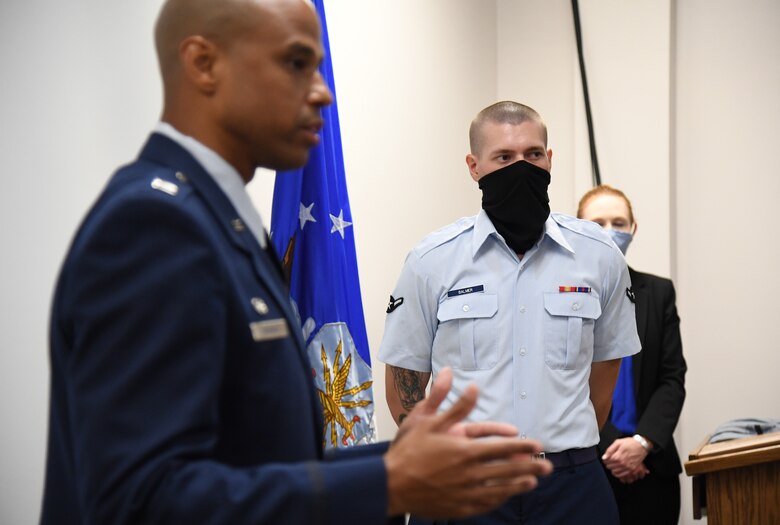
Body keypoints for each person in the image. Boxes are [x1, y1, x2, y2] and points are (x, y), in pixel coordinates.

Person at [39, 3, 553, 524]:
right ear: (203, 64)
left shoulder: (217, 218)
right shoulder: (154, 224)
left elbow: (251, 456)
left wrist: (401, 462)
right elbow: (139, 502)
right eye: (296, 63)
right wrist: (385, 483)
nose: (322, 92)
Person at [379, 101, 642, 525]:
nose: (521, 167)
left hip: (571, 486)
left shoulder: (598, 255)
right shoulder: (432, 261)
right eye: (503, 157)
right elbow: (403, 386)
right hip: (465, 483)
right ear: (474, 166)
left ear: (549, 159)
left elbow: (603, 381)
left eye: (533, 154)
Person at [577, 185, 687, 525]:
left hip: (652, 467)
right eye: (597, 223)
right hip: (588, 465)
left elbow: (672, 378)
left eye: (619, 223)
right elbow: (562, 382)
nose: (610, 231)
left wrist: (641, 443)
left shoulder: (658, 292)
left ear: (633, 228)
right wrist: (614, 447)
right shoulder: (564, 297)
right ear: (579, 229)